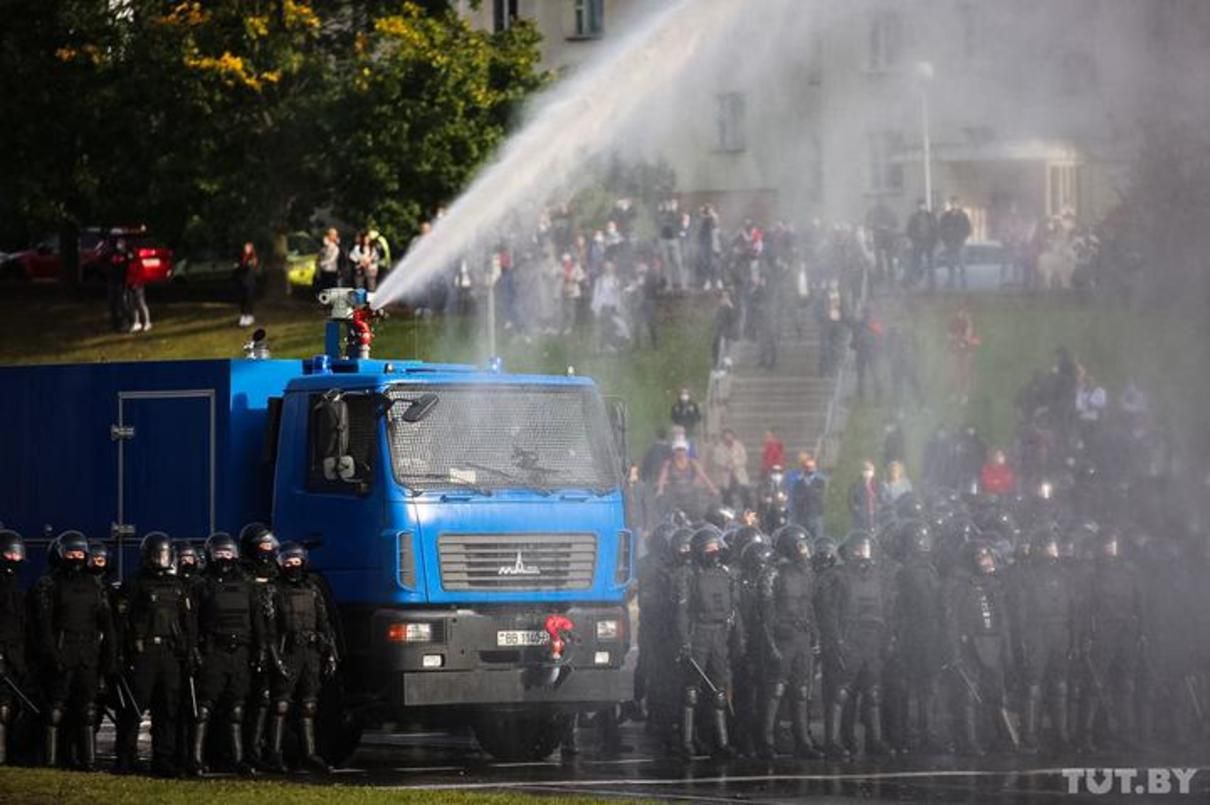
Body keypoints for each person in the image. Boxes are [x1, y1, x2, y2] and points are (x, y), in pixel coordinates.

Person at [32, 531, 116, 770]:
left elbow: (107, 625)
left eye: (80, 553)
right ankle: (50, 760)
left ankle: (87, 761)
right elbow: (44, 625)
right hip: (62, 650)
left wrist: (109, 659)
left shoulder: (94, 586)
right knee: (55, 710)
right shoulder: (50, 584)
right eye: (71, 553)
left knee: (88, 711)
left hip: (88, 654)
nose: (76, 557)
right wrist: (51, 654)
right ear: (61, 555)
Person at [115, 533, 193, 776]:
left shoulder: (178, 585)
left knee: (167, 709)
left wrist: (189, 652)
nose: (162, 559)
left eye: (166, 554)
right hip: (143, 653)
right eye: (158, 554)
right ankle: (126, 756)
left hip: (170, 654)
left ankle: (163, 758)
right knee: (134, 708)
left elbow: (188, 622)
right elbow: (120, 622)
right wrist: (119, 654)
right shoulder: (134, 584)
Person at [191, 533, 265, 776]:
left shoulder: (247, 584)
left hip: (240, 652)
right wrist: (195, 650)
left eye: (228, 552)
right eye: (219, 553)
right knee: (204, 709)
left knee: (236, 709)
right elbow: (193, 622)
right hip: (214, 651)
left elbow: (257, 621)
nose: (224, 557)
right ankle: (196, 759)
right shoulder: (202, 585)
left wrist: (260, 649)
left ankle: (237, 759)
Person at [264, 542, 337, 774]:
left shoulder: (313, 589)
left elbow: (324, 623)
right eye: (288, 561)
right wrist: (275, 657)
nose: (293, 565)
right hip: (288, 650)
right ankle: (273, 755)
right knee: (281, 704)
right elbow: (269, 629)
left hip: (311, 652)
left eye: (297, 561)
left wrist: (330, 652)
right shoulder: (274, 590)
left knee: (308, 705)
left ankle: (310, 754)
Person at [817, 532, 891, 759]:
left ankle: (875, 740)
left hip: (872, 639)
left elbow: (886, 609)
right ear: (848, 552)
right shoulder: (835, 576)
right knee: (839, 693)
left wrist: (887, 639)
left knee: (872, 693)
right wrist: (835, 640)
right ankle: (832, 740)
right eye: (857, 549)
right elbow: (828, 613)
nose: (862, 553)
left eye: (865, 548)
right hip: (848, 638)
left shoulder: (878, 576)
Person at [674, 527, 743, 759]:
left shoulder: (725, 575)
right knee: (691, 691)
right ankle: (686, 741)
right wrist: (684, 641)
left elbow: (734, 610)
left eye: (716, 547)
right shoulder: (689, 575)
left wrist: (737, 638)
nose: (714, 552)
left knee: (719, 691)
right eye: (709, 548)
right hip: (699, 634)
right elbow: (682, 612)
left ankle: (722, 743)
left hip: (720, 635)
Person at [943, 541, 1013, 755]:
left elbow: (1003, 621)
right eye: (981, 556)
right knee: (969, 696)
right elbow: (952, 621)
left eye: (988, 555)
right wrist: (954, 651)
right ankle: (969, 740)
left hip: (993, 643)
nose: (987, 560)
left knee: (996, 693)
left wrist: (1006, 650)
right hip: (970, 645)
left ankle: (1000, 737)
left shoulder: (994, 583)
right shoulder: (959, 584)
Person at [758, 525, 823, 759]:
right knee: (776, 689)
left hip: (802, 637)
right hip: (782, 638)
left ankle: (803, 740)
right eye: (801, 545)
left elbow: (810, 607)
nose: (805, 550)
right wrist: (771, 644)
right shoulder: (772, 573)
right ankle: (766, 740)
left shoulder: (807, 573)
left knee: (802, 690)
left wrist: (816, 636)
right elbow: (765, 615)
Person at [1079, 528, 1142, 752]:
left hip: (1125, 634)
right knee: (1095, 685)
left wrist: (1140, 632)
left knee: (1126, 685)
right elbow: (1085, 609)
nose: (1110, 547)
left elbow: (1138, 604)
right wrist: (1086, 636)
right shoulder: (1092, 574)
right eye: (1107, 543)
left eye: (1113, 543)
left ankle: (1127, 733)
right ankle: (1088, 736)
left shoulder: (1130, 572)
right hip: (1102, 634)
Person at [1017, 530, 1074, 753]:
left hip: (1060, 631)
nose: (1052, 550)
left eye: (1054, 546)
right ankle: (1030, 733)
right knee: (1033, 685)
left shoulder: (1064, 574)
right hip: (1036, 632)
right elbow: (1021, 610)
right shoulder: (1027, 574)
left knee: (1061, 684)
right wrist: (1023, 637)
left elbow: (1074, 607)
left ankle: (1062, 732)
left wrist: (1074, 637)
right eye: (1048, 546)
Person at [892, 521, 945, 753]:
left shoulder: (930, 569)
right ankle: (907, 733)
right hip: (912, 633)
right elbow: (900, 606)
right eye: (920, 539)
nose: (924, 543)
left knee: (929, 686)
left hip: (929, 633)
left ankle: (927, 731)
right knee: (910, 687)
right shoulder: (904, 571)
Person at [239, 524, 280, 771]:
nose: (268, 550)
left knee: (268, 700)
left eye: (270, 545)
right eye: (263, 545)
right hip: (249, 643)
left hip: (275, 642)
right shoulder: (242, 575)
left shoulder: (276, 574)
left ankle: (265, 750)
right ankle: (243, 751)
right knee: (243, 701)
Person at [0, 530, 27, 766]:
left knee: (15, 706)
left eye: (16, 554)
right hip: (3, 652)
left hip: (16, 654)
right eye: (9, 553)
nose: (14, 559)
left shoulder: (17, 589)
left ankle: (12, 753)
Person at [656, 440, 718, 521]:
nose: (680, 452)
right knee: (675, 517)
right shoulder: (669, 463)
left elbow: (703, 476)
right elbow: (663, 476)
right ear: (674, 451)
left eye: (682, 450)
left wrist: (712, 488)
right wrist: (660, 490)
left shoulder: (692, 462)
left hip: (691, 496)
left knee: (697, 516)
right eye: (678, 450)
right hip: (675, 496)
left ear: (686, 450)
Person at [947, 301, 979, 405]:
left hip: (967, 351)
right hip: (955, 351)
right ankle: (954, 394)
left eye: (965, 312)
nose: (962, 313)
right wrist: (956, 339)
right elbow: (948, 336)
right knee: (954, 373)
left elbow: (976, 340)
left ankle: (965, 395)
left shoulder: (970, 323)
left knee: (965, 373)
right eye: (961, 311)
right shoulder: (953, 322)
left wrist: (967, 339)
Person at [789, 453, 826, 540]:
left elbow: (823, 498)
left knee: (817, 538)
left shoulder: (820, 482)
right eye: (807, 467)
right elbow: (795, 499)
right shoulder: (798, 483)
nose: (810, 469)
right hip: (802, 516)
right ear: (803, 468)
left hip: (816, 515)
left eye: (812, 467)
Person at [938, 197, 972, 290]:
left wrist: (962, 238)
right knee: (950, 265)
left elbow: (968, 229)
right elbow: (941, 230)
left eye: (956, 203)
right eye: (952, 203)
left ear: (958, 204)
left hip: (960, 243)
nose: (954, 205)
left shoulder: (963, 216)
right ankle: (951, 283)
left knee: (962, 265)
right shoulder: (945, 216)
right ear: (950, 204)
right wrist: (946, 240)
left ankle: (964, 284)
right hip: (949, 244)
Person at [905, 199, 937, 290]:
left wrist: (934, 241)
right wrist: (915, 239)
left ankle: (932, 283)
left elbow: (936, 229)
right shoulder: (913, 217)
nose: (921, 207)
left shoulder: (930, 216)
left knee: (931, 263)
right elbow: (909, 230)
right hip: (918, 244)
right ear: (917, 206)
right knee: (916, 263)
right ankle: (916, 283)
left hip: (929, 243)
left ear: (925, 206)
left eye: (923, 205)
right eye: (919, 205)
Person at [105, 236, 133, 332]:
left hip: (122, 281)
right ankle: (114, 323)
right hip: (112, 281)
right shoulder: (111, 253)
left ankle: (126, 323)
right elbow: (105, 262)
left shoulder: (126, 254)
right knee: (112, 303)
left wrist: (126, 252)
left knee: (123, 304)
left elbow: (130, 261)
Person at [848, 460, 880, 532]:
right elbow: (851, 500)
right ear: (862, 472)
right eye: (866, 470)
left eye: (870, 470)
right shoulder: (855, 485)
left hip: (875, 516)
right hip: (861, 518)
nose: (868, 473)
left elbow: (881, 498)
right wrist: (856, 509)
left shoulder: (877, 484)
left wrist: (879, 506)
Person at [127, 246, 152, 333]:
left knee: (141, 304)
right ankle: (136, 322)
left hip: (138, 286)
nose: (129, 255)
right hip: (130, 285)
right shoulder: (130, 263)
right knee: (133, 305)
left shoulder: (138, 262)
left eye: (130, 254)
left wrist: (136, 283)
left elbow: (140, 275)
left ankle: (147, 322)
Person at [234, 242, 259, 327]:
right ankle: (243, 316)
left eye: (248, 247)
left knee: (249, 299)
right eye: (245, 247)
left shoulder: (253, 258)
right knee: (242, 299)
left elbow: (248, 267)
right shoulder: (241, 257)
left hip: (250, 282)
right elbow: (237, 267)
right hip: (241, 282)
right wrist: (241, 266)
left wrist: (241, 266)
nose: (246, 249)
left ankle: (250, 316)